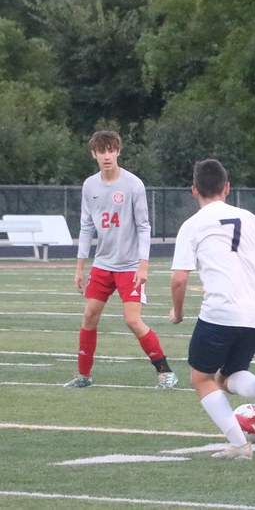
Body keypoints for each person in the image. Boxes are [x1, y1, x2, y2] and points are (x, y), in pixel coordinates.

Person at [169, 159, 255, 461]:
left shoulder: (192, 225)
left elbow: (179, 278)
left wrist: (178, 312)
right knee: (229, 375)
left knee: (201, 378)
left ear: (194, 190)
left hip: (222, 309)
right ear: (227, 188)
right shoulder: (247, 216)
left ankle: (239, 443)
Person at [64, 131, 177, 390]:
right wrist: (80, 267)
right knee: (89, 315)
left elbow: (144, 226)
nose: (106, 156)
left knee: (132, 320)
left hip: (129, 267)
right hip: (102, 264)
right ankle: (83, 376)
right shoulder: (89, 185)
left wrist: (143, 264)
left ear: (118, 152)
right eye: (101, 151)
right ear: (93, 154)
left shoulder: (133, 184)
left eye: (111, 150)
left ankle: (165, 372)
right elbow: (85, 227)